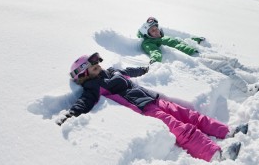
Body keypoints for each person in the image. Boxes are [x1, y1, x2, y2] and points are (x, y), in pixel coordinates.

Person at [56, 52, 249, 162]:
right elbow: (85, 102)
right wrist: (71, 113)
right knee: (181, 129)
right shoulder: (93, 87)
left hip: (153, 99)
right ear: (84, 74)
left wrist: (145, 68)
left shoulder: (111, 71)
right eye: (94, 67)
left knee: (191, 115)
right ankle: (215, 154)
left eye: (98, 63)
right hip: (145, 109)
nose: (99, 66)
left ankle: (227, 132)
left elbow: (128, 71)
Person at [137, 17, 259, 95]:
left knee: (230, 60)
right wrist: (154, 61)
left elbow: (181, 41)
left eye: (156, 28)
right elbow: (154, 52)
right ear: (146, 33)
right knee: (223, 66)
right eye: (152, 30)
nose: (156, 32)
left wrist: (196, 40)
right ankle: (247, 89)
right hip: (193, 59)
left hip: (197, 52)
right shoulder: (149, 43)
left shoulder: (162, 36)